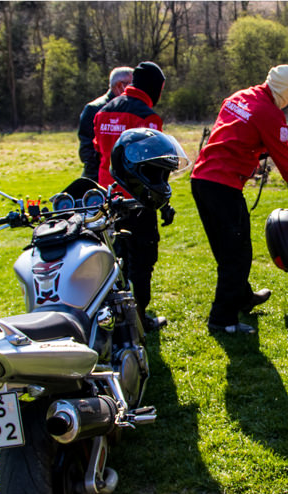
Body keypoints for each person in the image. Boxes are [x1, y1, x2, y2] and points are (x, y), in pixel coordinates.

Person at [190, 64, 288, 335]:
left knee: (231, 246)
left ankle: (243, 298)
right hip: (222, 185)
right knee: (237, 254)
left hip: (203, 179)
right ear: (287, 91)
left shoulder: (240, 97)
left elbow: (236, 133)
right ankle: (223, 320)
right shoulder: (271, 114)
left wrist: (257, 148)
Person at [93, 61, 175, 332]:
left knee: (115, 257)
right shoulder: (147, 117)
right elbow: (155, 165)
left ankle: (112, 315)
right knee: (142, 259)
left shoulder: (103, 112)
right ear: (156, 88)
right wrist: (164, 204)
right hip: (138, 198)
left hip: (108, 196)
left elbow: (98, 150)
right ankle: (139, 319)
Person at [77, 66, 133, 182]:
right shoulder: (94, 109)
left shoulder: (130, 109)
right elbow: (87, 148)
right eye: (131, 85)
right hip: (97, 177)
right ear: (119, 85)